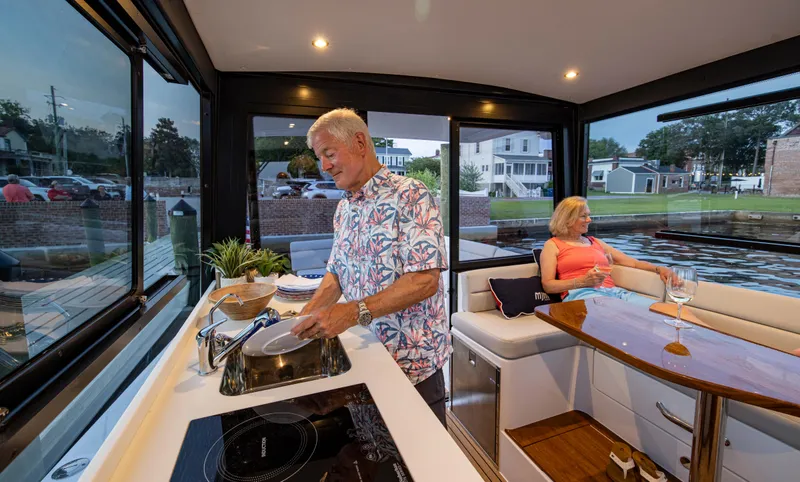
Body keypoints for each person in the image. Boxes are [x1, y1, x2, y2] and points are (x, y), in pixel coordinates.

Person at [290, 108, 450, 425]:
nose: (323, 166)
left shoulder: (411, 194)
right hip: (365, 359)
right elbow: (336, 275)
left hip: (411, 367)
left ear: (360, 143)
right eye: (320, 157)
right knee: (378, 464)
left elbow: (423, 281)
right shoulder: (344, 208)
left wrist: (350, 312)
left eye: (328, 153)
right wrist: (302, 323)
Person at [540, 196, 671, 307]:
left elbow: (633, 263)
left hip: (614, 292)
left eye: (589, 215)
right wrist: (583, 281)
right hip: (582, 294)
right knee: (625, 315)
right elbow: (548, 285)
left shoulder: (595, 242)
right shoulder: (552, 245)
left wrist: (659, 268)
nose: (589, 220)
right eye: (583, 216)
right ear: (568, 220)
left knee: (669, 312)